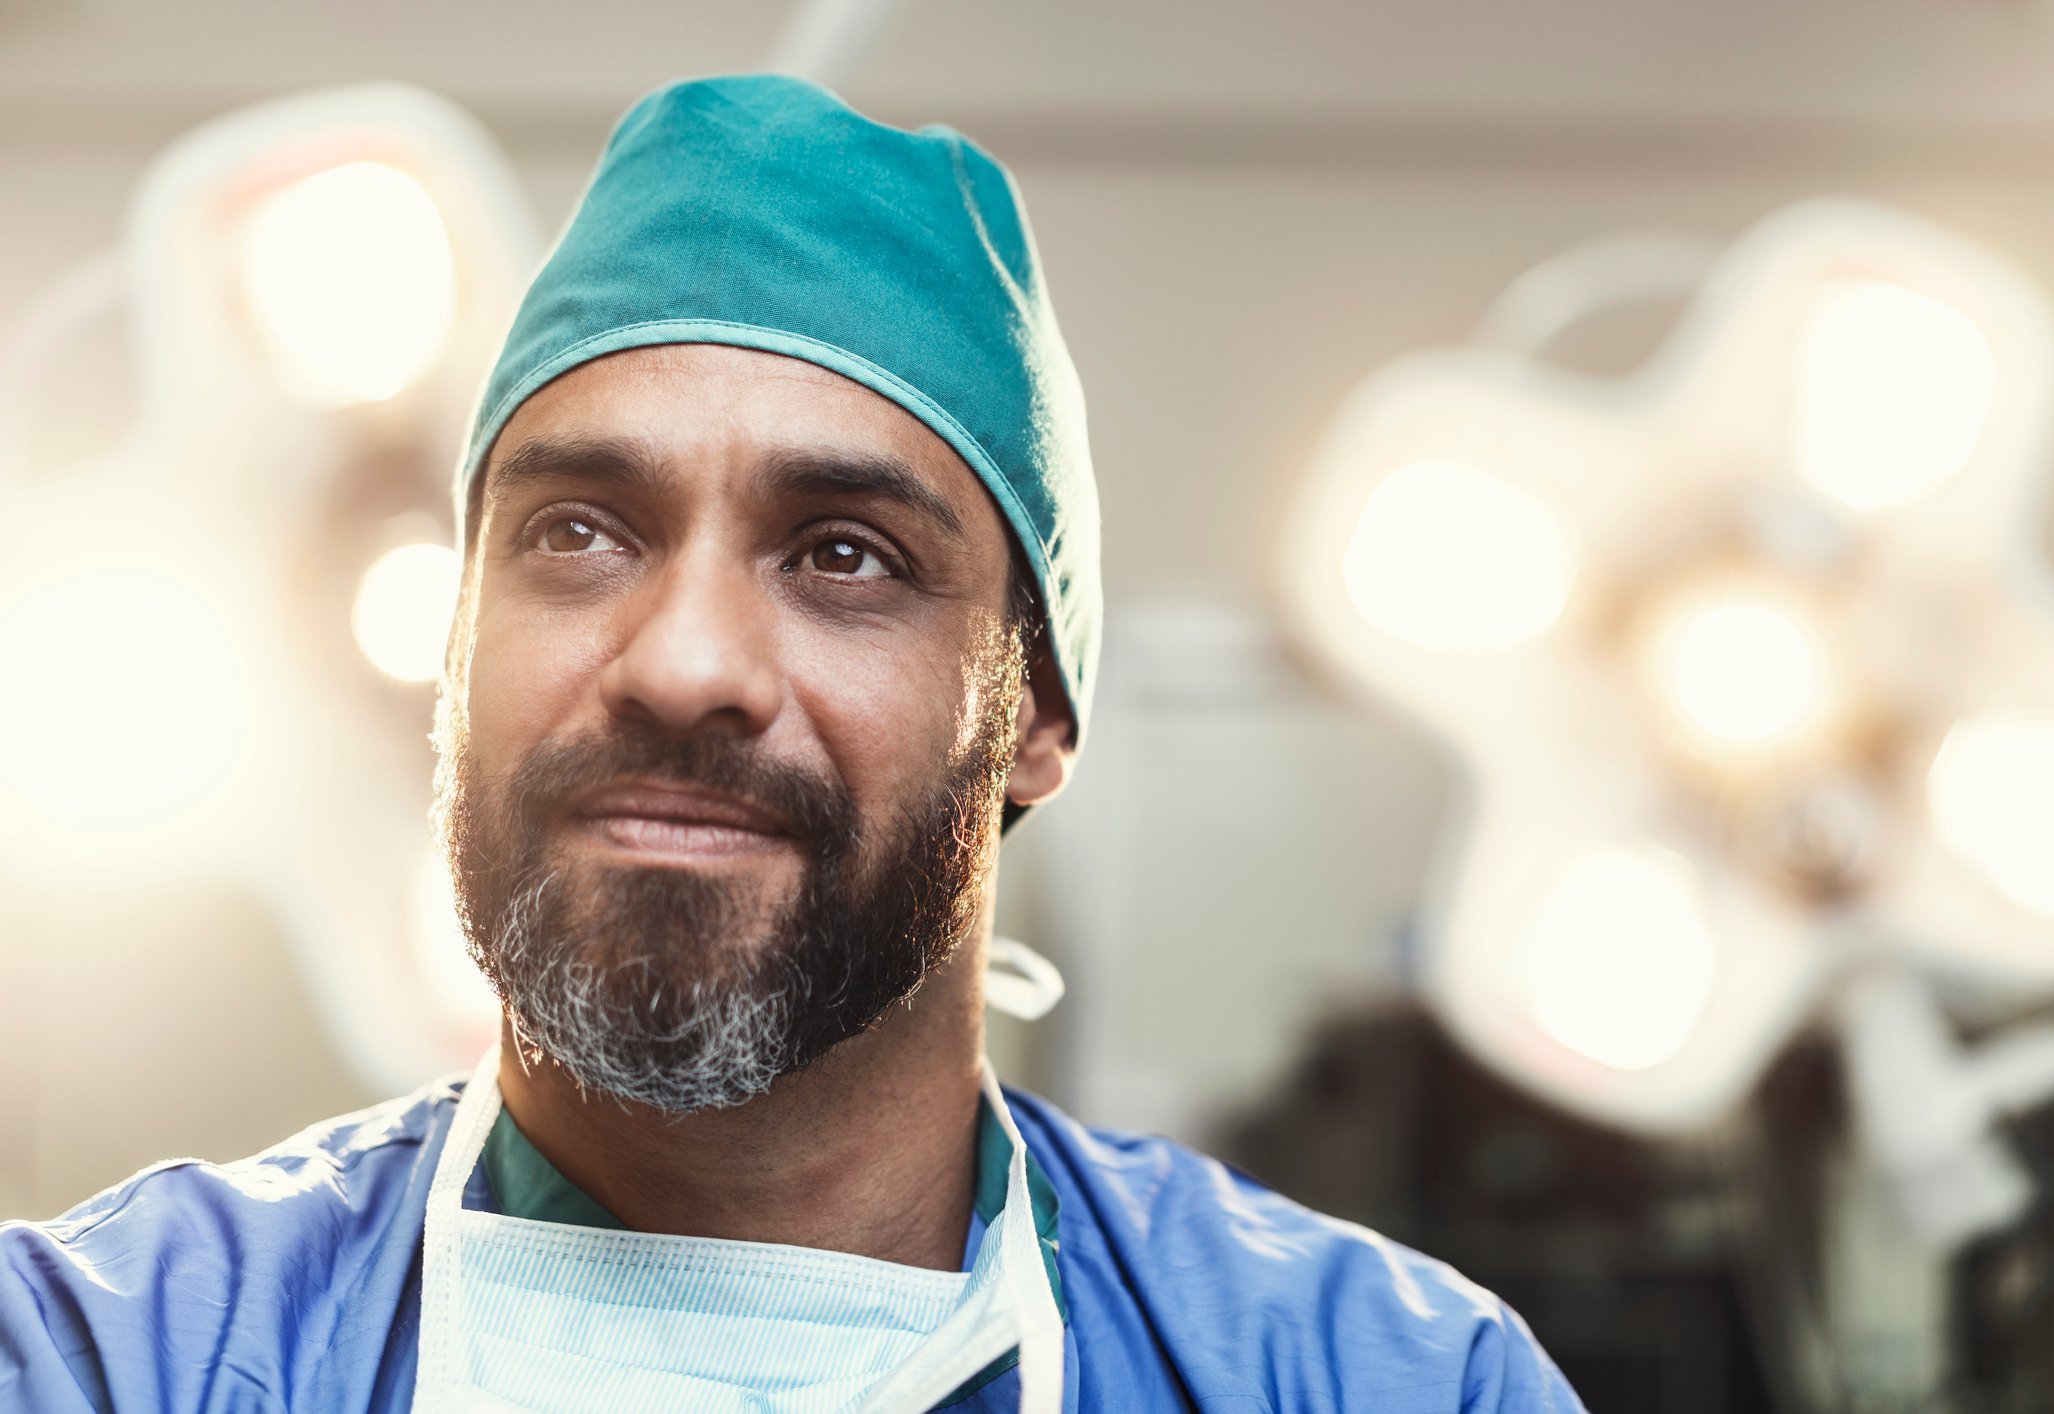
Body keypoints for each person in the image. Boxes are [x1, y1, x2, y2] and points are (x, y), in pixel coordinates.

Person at [0, 76, 1584, 1413]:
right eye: (576, 530)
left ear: (1034, 712)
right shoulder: (107, 1353)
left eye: (843, 554)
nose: (684, 661)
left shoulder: (1381, 1379)